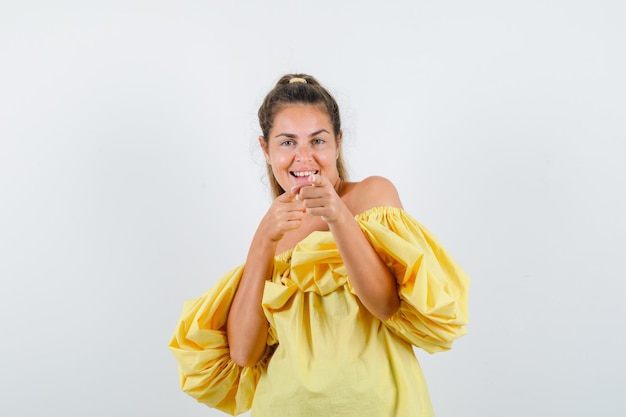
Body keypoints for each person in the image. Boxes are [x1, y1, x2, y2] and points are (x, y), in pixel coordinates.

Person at [169, 74, 470, 417]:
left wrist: (338, 217)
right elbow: (243, 354)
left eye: (317, 141)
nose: (304, 157)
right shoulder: (276, 232)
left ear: (338, 143)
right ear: (265, 149)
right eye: (287, 143)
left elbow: (385, 304)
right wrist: (261, 243)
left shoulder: (372, 196)